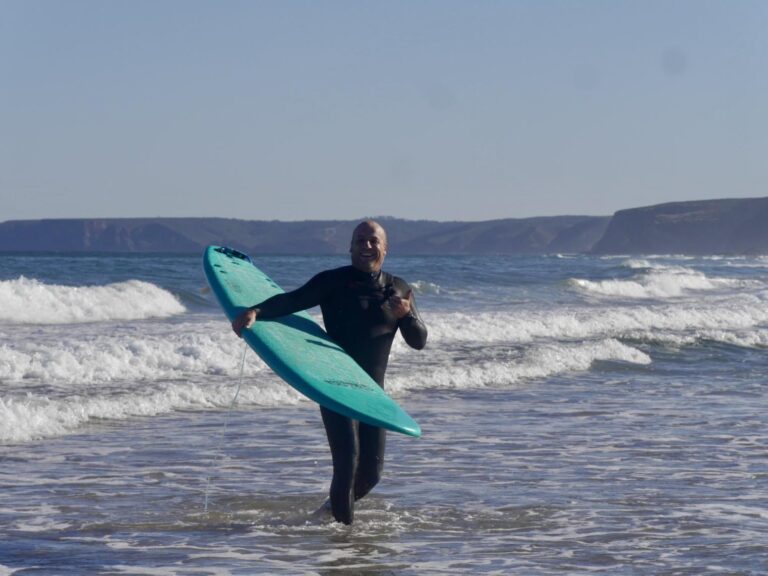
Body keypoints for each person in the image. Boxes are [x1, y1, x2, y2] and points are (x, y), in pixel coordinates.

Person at [231, 220, 428, 524]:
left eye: (373, 241)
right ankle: (343, 538)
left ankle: (331, 513)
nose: (366, 246)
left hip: (371, 391)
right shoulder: (332, 282)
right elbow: (292, 300)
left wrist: (408, 318)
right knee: (346, 463)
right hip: (335, 385)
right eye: (360, 240)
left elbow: (419, 341)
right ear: (349, 247)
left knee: (372, 474)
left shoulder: (398, 289)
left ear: (385, 249)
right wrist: (256, 311)